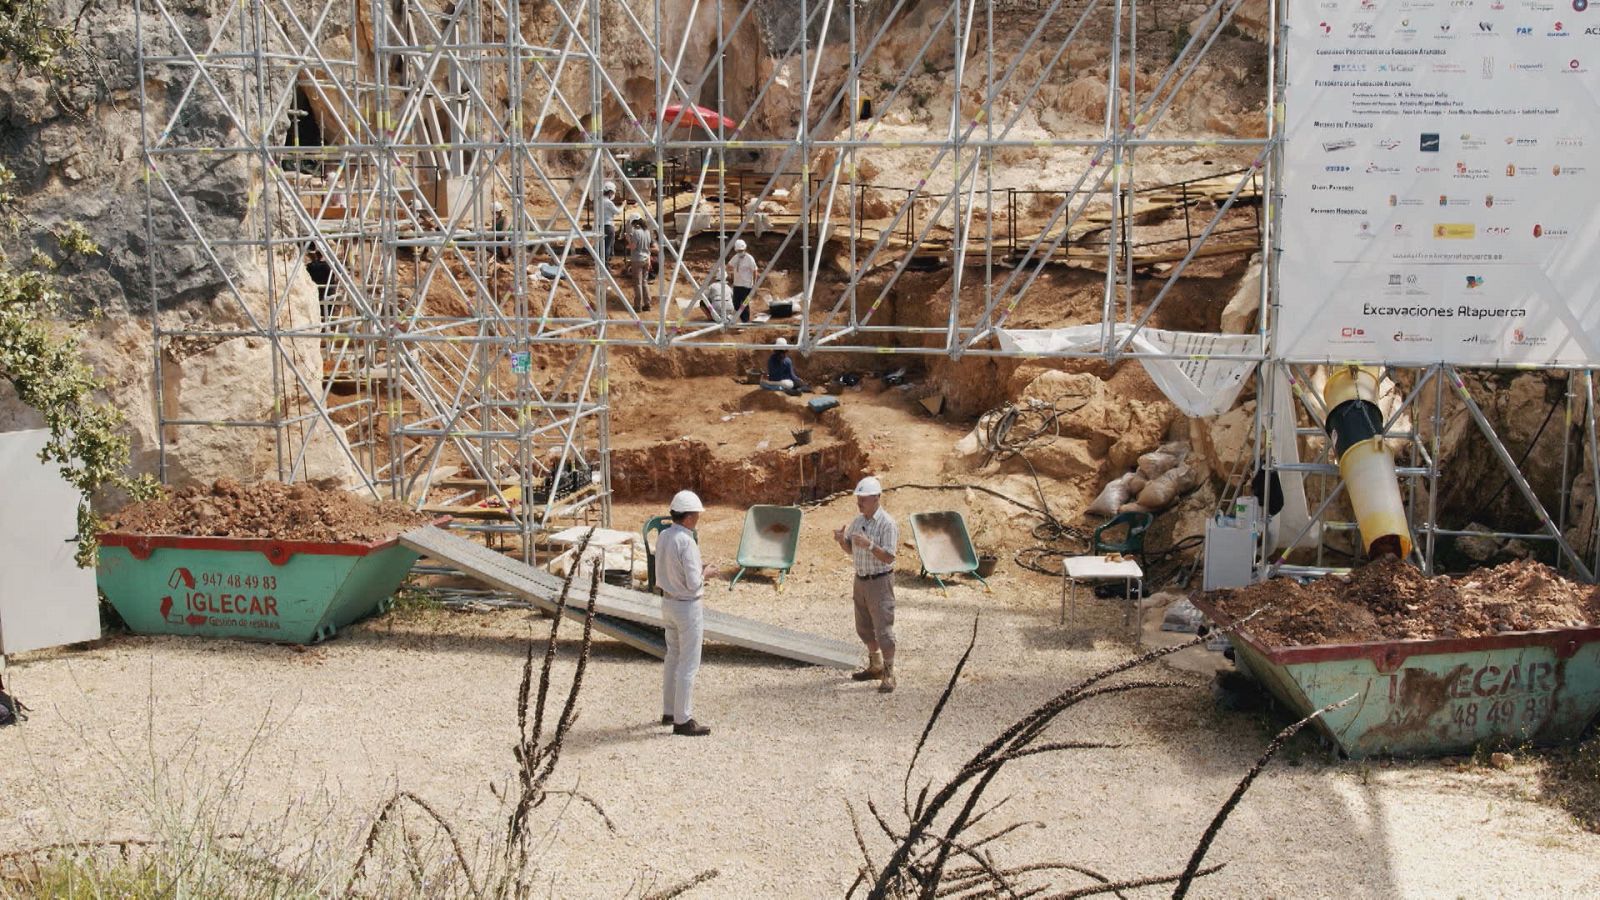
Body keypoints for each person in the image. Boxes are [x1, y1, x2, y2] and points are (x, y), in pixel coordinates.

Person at [656, 489, 717, 736]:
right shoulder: (687, 541)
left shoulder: (664, 537)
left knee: (672, 657)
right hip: (687, 606)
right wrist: (707, 573)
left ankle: (669, 711)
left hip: (668, 603)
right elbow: (693, 582)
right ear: (690, 517)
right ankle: (683, 719)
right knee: (688, 664)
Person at [833, 476, 899, 693]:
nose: (859, 503)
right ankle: (875, 665)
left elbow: (889, 557)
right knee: (864, 627)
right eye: (858, 499)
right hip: (860, 581)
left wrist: (870, 545)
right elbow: (851, 549)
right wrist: (842, 541)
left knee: (884, 629)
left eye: (863, 499)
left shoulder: (887, 524)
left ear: (876, 499)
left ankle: (889, 673)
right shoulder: (858, 521)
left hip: (879, 582)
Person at [627, 216, 654, 312]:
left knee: (637, 283)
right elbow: (649, 246)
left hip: (637, 259)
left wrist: (629, 241)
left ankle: (637, 306)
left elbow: (633, 247)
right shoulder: (647, 231)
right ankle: (647, 304)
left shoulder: (636, 233)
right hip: (646, 259)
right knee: (644, 282)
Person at [727, 239, 758, 323]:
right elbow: (729, 265)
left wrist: (754, 283)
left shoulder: (749, 258)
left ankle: (745, 321)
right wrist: (730, 274)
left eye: (741, 250)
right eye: (738, 251)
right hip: (737, 285)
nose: (740, 252)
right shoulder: (736, 257)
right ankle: (739, 318)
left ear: (745, 249)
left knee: (745, 304)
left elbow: (755, 270)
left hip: (747, 286)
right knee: (736, 303)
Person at [599, 181, 622, 262]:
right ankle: (606, 264)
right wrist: (623, 206)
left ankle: (601, 262)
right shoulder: (608, 202)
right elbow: (618, 212)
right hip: (608, 226)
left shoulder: (599, 200)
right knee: (608, 245)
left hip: (600, 225)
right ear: (610, 192)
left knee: (602, 245)